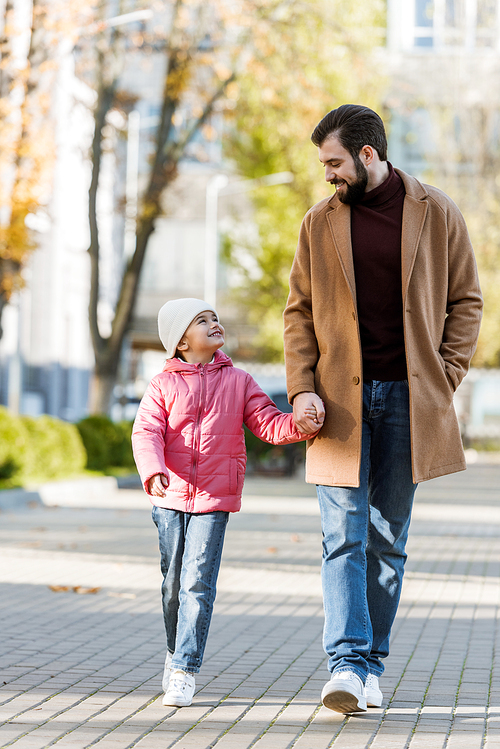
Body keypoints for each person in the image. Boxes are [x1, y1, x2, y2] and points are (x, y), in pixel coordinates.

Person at [284, 104, 483, 714]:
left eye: (335, 162)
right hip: (337, 403)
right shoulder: (319, 223)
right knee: (342, 536)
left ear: (368, 155)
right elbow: (298, 313)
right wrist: (301, 389)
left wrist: (443, 377)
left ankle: (371, 665)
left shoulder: (437, 211)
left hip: (408, 399)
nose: (328, 175)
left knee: (387, 540)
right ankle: (346, 661)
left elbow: (466, 300)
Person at [132, 297, 322, 708]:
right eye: (202, 321)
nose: (214, 324)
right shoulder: (162, 385)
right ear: (181, 342)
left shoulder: (239, 381)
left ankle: (184, 669)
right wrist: (153, 469)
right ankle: (173, 650)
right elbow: (145, 431)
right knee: (172, 586)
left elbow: (268, 422)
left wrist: (300, 424)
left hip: (215, 497)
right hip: (168, 494)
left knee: (197, 584)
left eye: (214, 318)